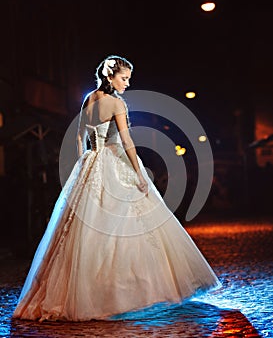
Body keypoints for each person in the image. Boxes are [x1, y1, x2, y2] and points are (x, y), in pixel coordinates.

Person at [13, 55, 221, 322]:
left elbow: (79, 137)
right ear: (111, 77)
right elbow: (127, 142)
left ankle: (79, 292)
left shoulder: (89, 99)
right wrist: (139, 173)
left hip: (91, 163)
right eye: (124, 78)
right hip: (113, 162)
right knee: (127, 227)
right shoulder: (116, 103)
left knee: (80, 233)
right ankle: (125, 295)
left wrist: (83, 166)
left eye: (129, 79)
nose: (127, 84)